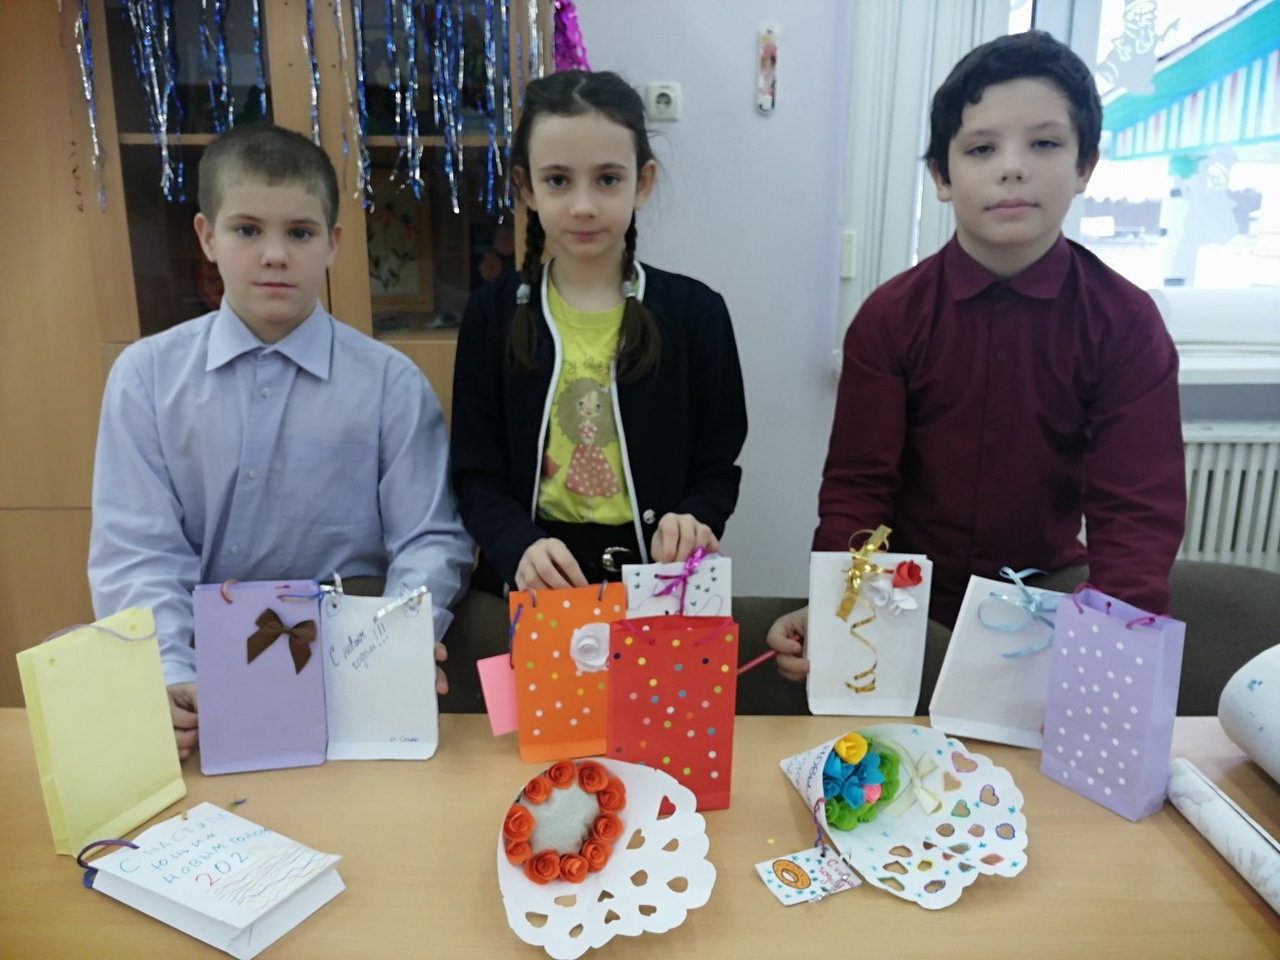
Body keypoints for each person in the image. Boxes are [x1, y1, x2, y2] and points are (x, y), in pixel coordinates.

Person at [767, 31, 1185, 684]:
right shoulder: (890, 317)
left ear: (1085, 166)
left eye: (1044, 144)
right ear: (941, 175)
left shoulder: (1125, 323)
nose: (1012, 168)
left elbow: (1136, 513)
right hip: (904, 599)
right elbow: (858, 489)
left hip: (1050, 597)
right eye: (982, 148)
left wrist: (1111, 644)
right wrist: (835, 605)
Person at [89, 123, 473, 757]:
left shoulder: (390, 384)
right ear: (206, 236)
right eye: (247, 230)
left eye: (299, 233)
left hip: (354, 674)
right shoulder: (146, 378)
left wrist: (396, 644)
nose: (274, 255)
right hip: (201, 678)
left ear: (333, 243)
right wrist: (168, 671)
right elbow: (138, 551)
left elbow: (430, 538)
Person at [451, 70, 748, 594]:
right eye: (558, 180)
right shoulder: (491, 314)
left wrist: (695, 519)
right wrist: (517, 545)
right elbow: (476, 473)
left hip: (657, 585)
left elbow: (717, 466)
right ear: (527, 186)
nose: (583, 205)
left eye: (607, 179)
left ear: (643, 183)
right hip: (531, 583)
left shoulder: (696, 313)